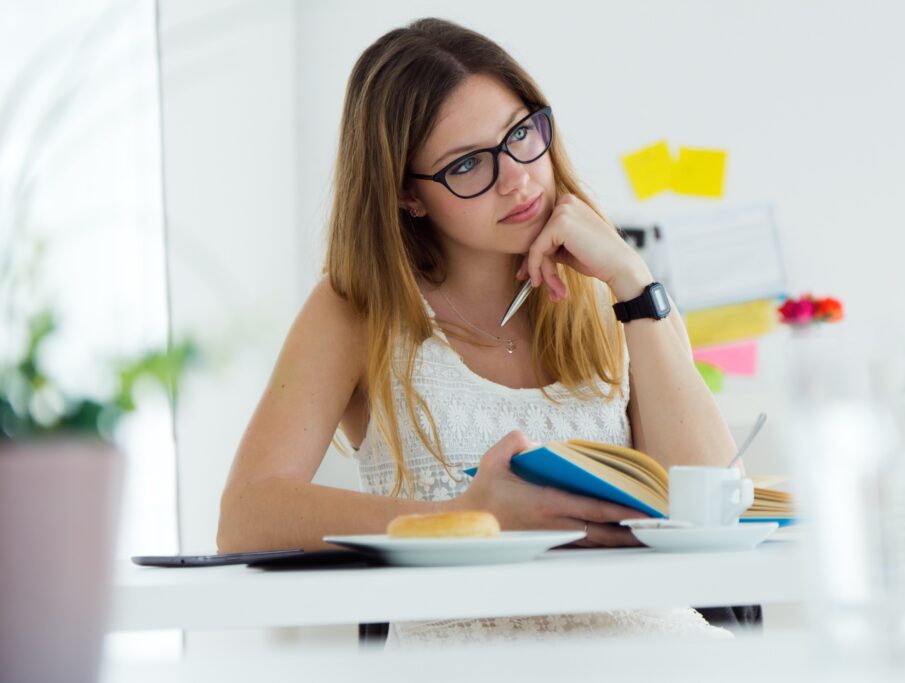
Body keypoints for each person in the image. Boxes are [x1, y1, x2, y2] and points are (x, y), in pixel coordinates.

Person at [218, 17, 741, 645]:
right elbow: (246, 514)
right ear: (408, 196)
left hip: (655, 650)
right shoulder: (358, 307)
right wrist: (462, 518)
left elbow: (715, 507)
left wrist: (634, 281)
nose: (518, 177)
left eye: (521, 134)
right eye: (468, 165)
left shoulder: (616, 289)